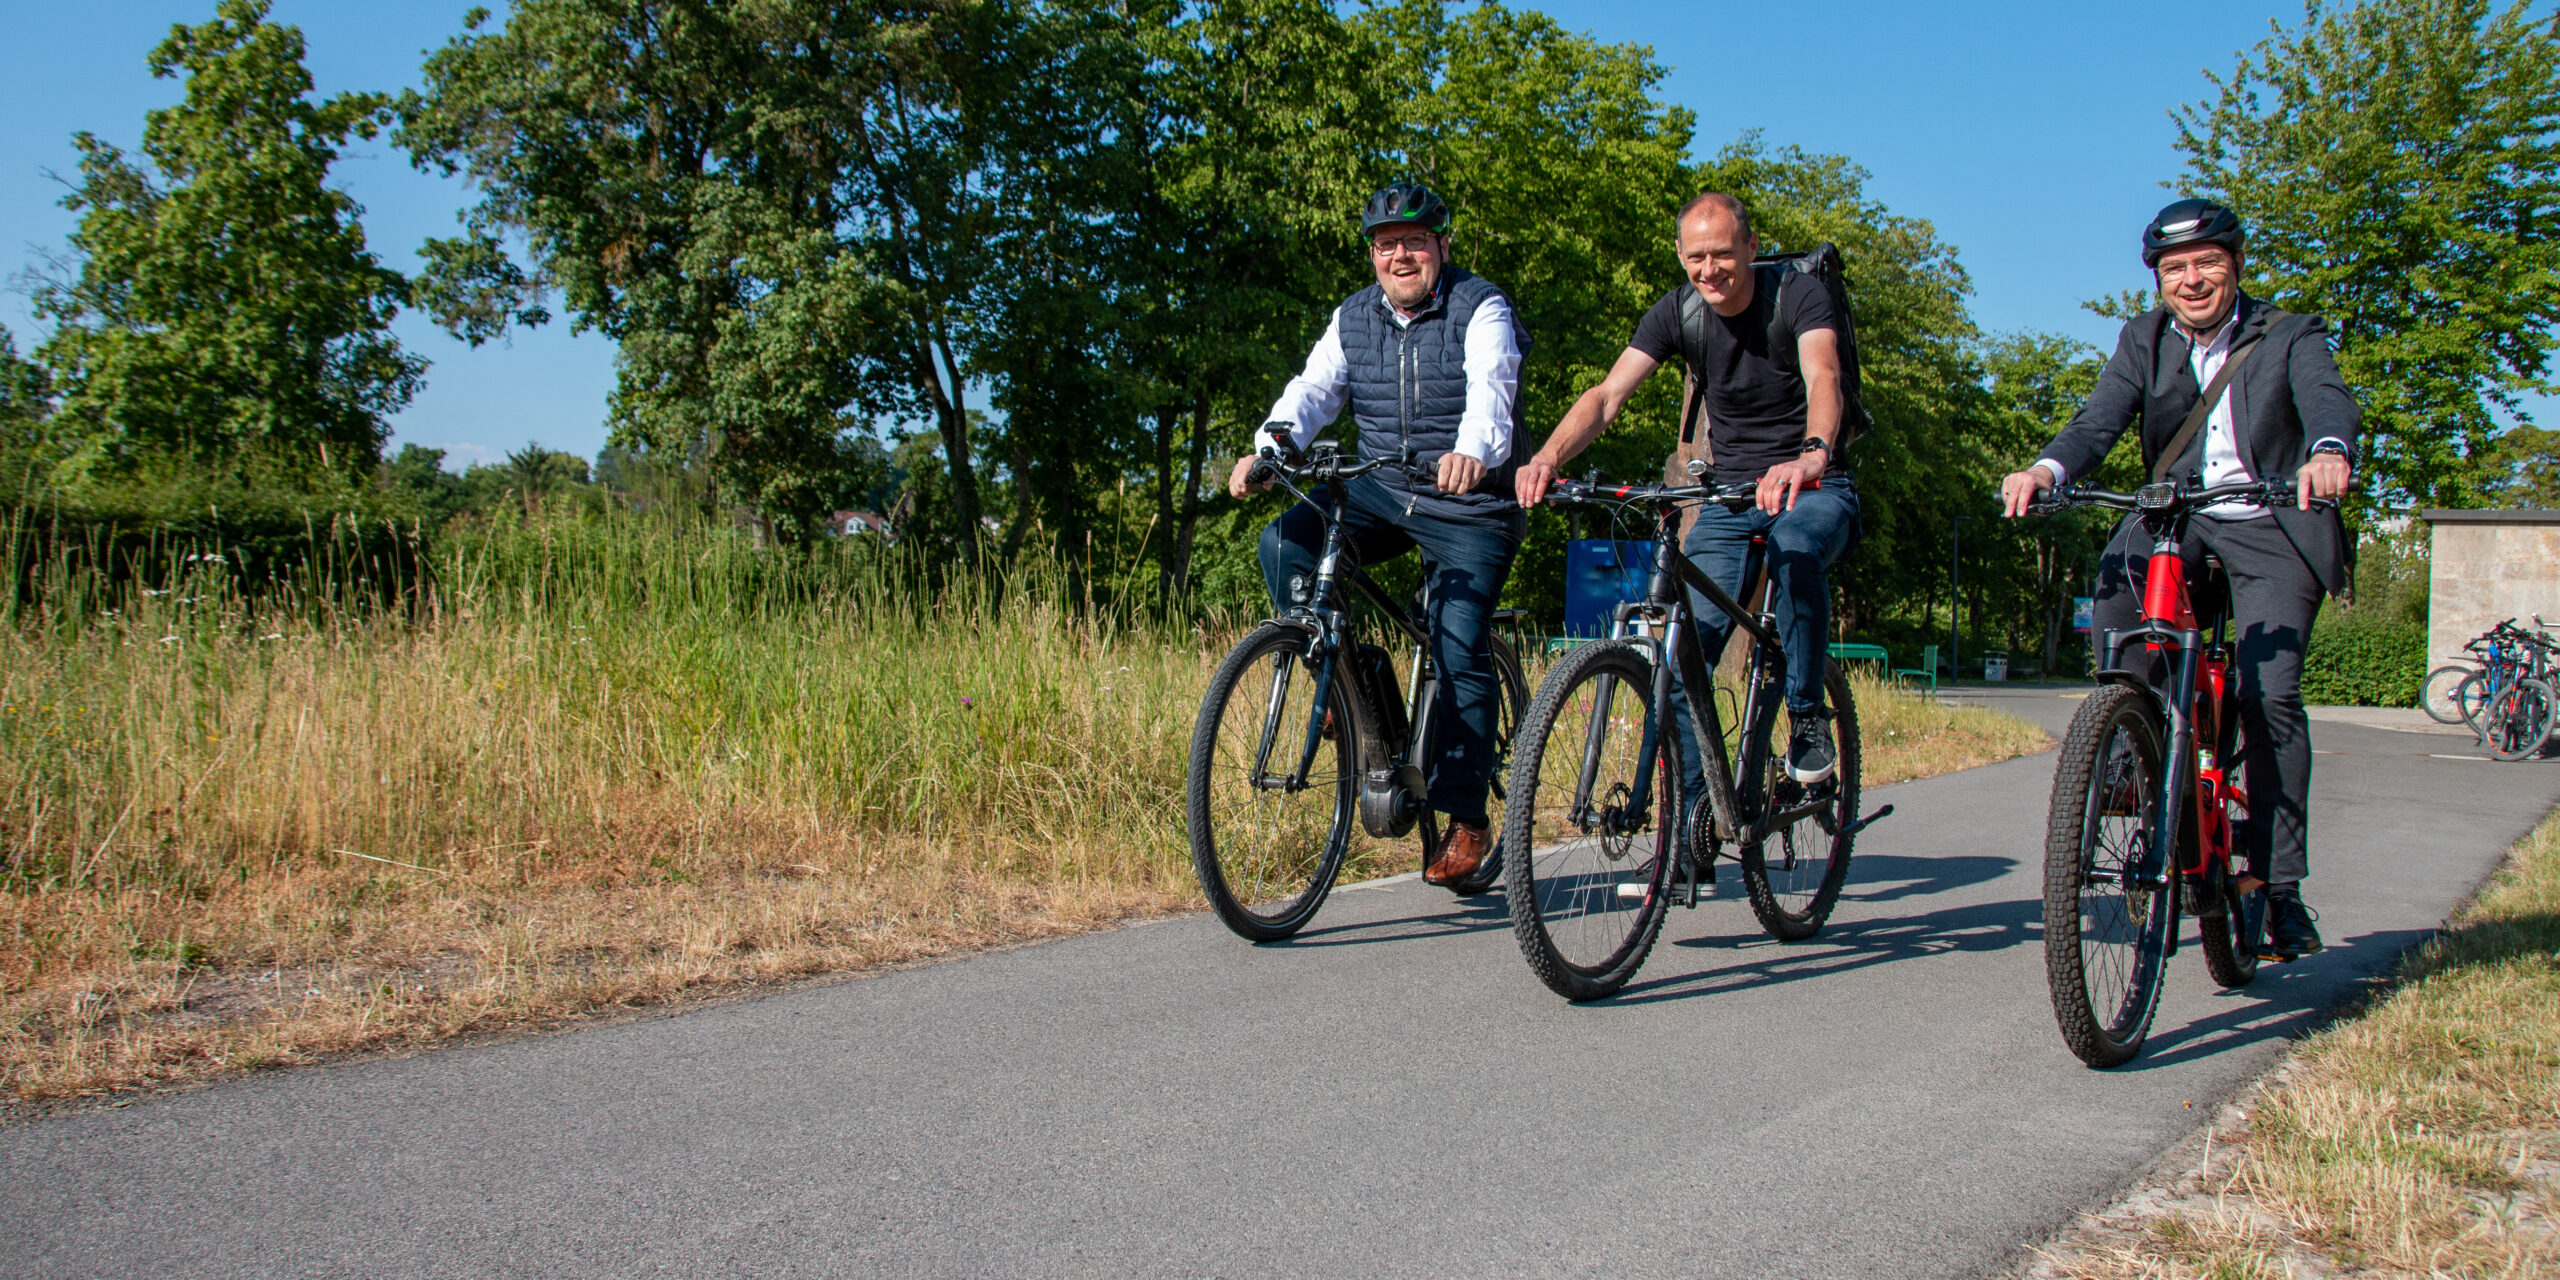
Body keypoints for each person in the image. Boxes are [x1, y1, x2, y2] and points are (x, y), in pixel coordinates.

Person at [1997, 197, 2358, 962]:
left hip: (2271, 518)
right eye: (2174, 270)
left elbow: (2327, 398)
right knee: (2119, 579)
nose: (2191, 281)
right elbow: (2099, 420)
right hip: (2179, 513)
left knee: (2271, 697)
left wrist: (2328, 451)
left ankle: (2277, 883)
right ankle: (2133, 748)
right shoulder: (2144, 338)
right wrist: (2045, 468)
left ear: (2234, 264)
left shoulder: (2288, 333)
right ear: (2158, 280)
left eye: (2206, 264)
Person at [1228, 183, 1529, 887]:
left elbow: (1493, 388)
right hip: (1383, 489)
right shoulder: (1353, 318)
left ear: (1441, 249)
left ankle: (1466, 819)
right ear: (1373, 255)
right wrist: (1271, 448)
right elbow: (1312, 392)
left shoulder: (1480, 305)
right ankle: (1348, 688)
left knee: (1458, 643)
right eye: (1388, 244)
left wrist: (1474, 452)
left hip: (1469, 501)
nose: (1401, 254)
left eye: (1415, 242)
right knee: (1285, 543)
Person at [1516, 192, 1860, 801]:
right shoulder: (1680, 311)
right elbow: (1606, 396)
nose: (1710, 270)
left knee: (1797, 549)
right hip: (1730, 497)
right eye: (1696, 257)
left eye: (1724, 254)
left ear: (1751, 248)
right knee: (1679, 654)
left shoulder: (1799, 296)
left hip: (1814, 486)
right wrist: (1546, 458)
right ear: (1680, 254)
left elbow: (1823, 376)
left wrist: (1811, 454)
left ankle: (1807, 717)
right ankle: (1697, 822)